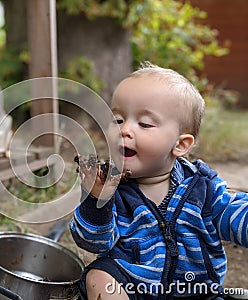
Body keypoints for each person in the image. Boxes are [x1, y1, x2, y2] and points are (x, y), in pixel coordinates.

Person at [69, 62, 248, 300]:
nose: (125, 130)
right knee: (99, 278)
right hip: (134, 290)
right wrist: (97, 201)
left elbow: (235, 216)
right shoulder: (110, 188)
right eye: (118, 120)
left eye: (144, 124)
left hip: (197, 292)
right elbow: (93, 243)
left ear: (180, 145)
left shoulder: (203, 189)